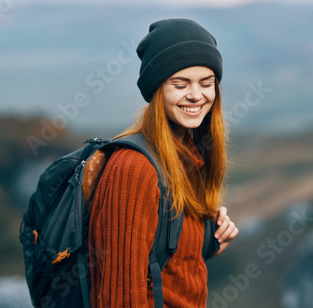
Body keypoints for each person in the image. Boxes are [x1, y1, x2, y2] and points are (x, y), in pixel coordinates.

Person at [88, 18, 239, 307]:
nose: (196, 95)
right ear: (157, 90)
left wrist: (208, 240)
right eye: (180, 84)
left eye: (206, 83)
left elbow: (164, 266)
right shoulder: (133, 168)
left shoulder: (189, 155)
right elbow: (120, 299)